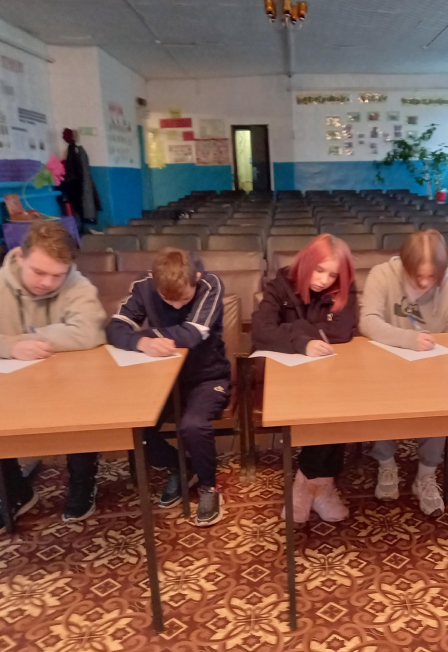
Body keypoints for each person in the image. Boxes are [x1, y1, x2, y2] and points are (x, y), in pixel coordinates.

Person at [106, 248, 231, 527]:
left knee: (193, 425)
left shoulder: (210, 284)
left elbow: (192, 334)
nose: (175, 307)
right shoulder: (144, 285)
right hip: (161, 377)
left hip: (207, 376)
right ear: (155, 281)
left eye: (183, 299)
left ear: (196, 278)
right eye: (167, 300)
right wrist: (140, 342)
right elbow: (115, 327)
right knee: (136, 427)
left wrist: (144, 334)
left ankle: (209, 486)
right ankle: (181, 465)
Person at [0, 220, 106, 530]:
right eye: (39, 272)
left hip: (68, 382)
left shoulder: (78, 284)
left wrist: (25, 338)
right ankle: (15, 490)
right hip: (12, 384)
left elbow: (88, 333)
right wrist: (10, 346)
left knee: (86, 404)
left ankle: (83, 481)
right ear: (20, 256)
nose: (47, 283)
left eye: (57, 275)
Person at [252, 234, 357, 523]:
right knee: (321, 405)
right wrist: (302, 340)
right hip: (289, 373)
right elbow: (261, 330)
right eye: (319, 270)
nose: (324, 280)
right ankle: (319, 483)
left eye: (332, 275)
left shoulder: (343, 287)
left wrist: (293, 327)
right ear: (307, 263)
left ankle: (308, 482)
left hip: (329, 371)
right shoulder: (281, 283)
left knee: (338, 403)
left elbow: (343, 331)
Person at [360, 229, 448, 516]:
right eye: (417, 276)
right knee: (378, 396)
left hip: (432, 367)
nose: (424, 283)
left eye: (432, 277)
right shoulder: (382, 275)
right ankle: (386, 463)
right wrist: (408, 338)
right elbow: (368, 321)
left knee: (442, 402)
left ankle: (426, 474)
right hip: (386, 366)